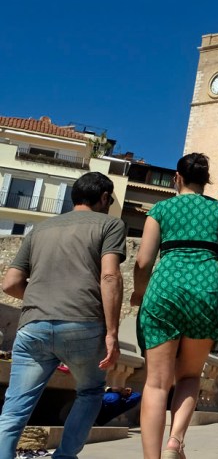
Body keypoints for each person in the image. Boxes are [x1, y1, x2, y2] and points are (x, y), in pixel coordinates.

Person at [0, 172, 126, 459]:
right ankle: (65, 456)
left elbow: (10, 283)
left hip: (33, 325)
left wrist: (42, 299)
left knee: (15, 408)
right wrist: (112, 333)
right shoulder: (110, 225)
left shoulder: (40, 230)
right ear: (104, 198)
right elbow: (109, 276)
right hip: (83, 322)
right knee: (91, 392)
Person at [132, 153, 218, 459]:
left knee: (156, 383)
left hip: (165, 287)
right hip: (206, 289)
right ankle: (175, 442)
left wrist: (138, 294)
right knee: (189, 376)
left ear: (177, 178)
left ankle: (151, 457)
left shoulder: (161, 208)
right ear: (205, 180)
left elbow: (143, 261)